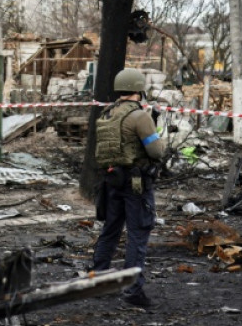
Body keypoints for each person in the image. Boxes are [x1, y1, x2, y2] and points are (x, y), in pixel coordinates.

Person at [90, 67, 165, 308]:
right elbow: (156, 151)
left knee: (110, 231)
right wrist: (157, 131)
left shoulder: (107, 113)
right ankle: (133, 290)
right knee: (137, 235)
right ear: (138, 90)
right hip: (135, 184)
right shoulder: (139, 116)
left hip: (111, 181)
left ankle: (99, 282)